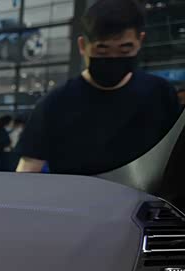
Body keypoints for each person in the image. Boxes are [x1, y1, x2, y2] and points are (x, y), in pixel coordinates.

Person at [17, 0, 180, 175]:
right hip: (76, 192)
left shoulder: (161, 95)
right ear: (82, 46)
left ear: (140, 41)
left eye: (125, 51)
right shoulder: (55, 104)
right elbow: (28, 171)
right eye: (102, 51)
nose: (113, 58)